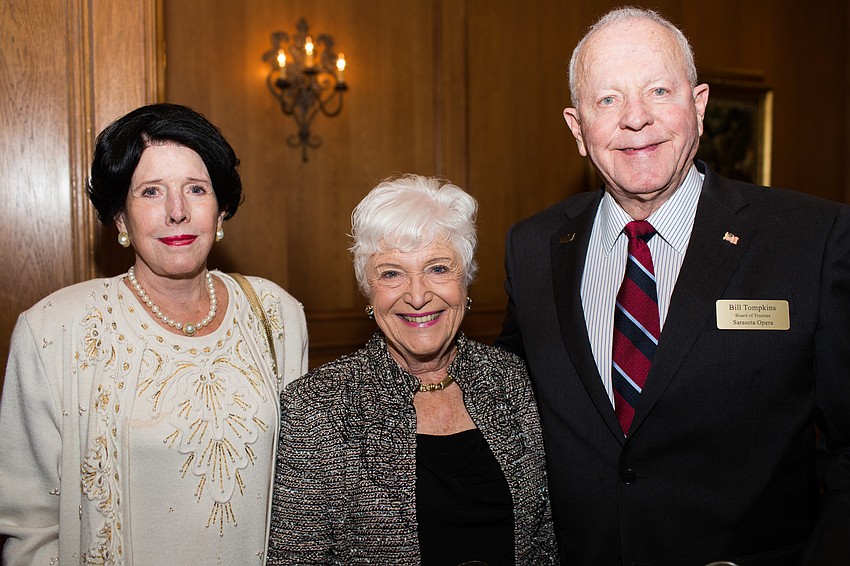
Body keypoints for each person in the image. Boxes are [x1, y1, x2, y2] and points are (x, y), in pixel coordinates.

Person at [496, 7, 850, 566]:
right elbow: (506, 410)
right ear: (577, 128)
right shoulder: (534, 248)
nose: (636, 118)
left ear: (699, 106)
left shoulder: (811, 239)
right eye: (607, 99)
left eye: (659, 90)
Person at [0, 103, 308, 565]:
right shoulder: (52, 331)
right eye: (151, 192)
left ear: (221, 211)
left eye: (196, 190)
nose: (178, 212)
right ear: (121, 218)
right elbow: (30, 528)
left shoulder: (277, 314)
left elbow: (300, 491)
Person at [267, 174, 557, 565]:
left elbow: (543, 543)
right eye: (391, 273)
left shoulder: (512, 379)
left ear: (465, 282)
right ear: (368, 291)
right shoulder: (318, 407)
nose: (418, 296)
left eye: (438, 268)